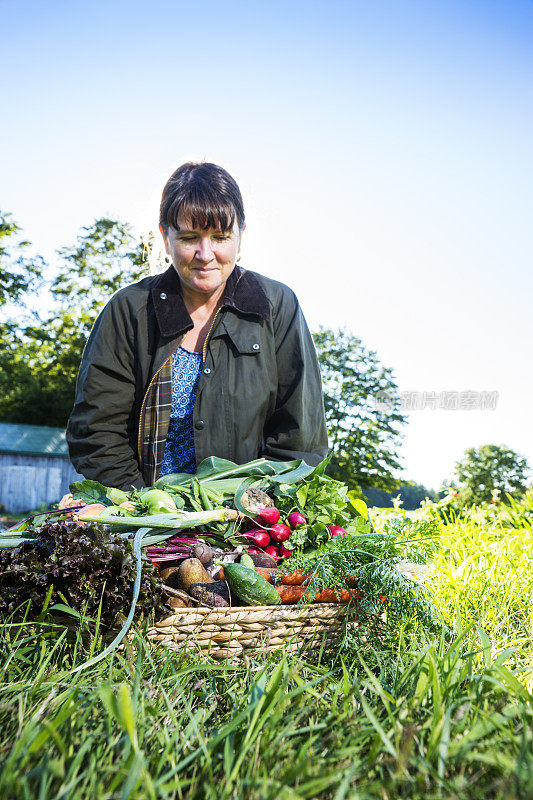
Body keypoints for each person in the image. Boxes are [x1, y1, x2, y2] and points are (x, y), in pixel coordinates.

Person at [66, 162, 329, 490]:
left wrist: (246, 512)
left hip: (241, 522)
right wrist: (145, 508)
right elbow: (96, 432)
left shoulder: (276, 307)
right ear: (165, 237)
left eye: (220, 237)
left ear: (241, 236)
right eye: (190, 237)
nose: (206, 254)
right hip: (142, 518)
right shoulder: (129, 310)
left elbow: (299, 442)